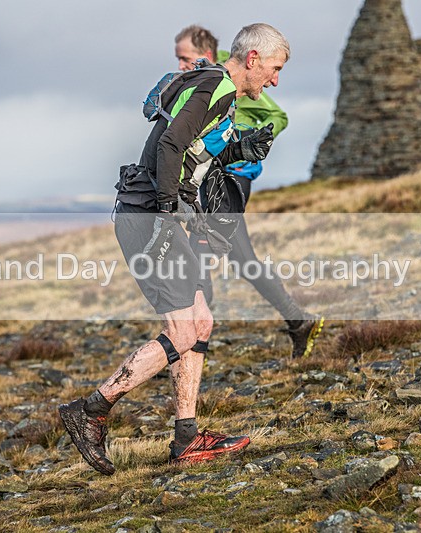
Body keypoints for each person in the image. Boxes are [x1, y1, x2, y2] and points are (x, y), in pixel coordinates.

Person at [59, 23, 290, 475]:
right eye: (275, 69)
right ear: (253, 60)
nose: (275, 81)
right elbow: (168, 145)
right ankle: (91, 410)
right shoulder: (216, 87)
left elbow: (192, 150)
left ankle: (186, 437)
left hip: (148, 213)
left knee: (200, 321)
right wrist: (169, 212)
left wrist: (239, 145)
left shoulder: (218, 93)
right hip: (151, 217)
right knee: (185, 331)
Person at [174, 25, 323, 358]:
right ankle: (298, 320)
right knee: (242, 259)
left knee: (199, 261)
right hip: (209, 177)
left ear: (208, 55)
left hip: (229, 177)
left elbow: (277, 115)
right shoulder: (203, 81)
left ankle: (189, 352)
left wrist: (240, 139)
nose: (181, 65)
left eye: (185, 58)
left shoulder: (232, 77)